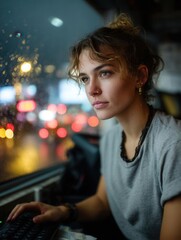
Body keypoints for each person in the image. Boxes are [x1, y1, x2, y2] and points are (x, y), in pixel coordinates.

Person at [7, 13, 181, 240]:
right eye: (85, 79)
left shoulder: (172, 144)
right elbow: (102, 202)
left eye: (105, 73)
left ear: (139, 76)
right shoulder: (111, 139)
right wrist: (63, 211)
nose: (91, 90)